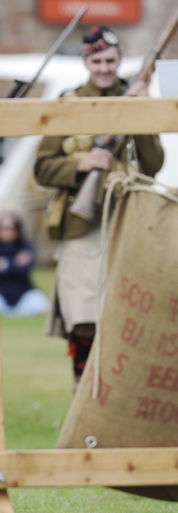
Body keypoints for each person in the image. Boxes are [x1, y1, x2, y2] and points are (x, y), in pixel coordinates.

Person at [34, 26, 163, 386]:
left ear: (119, 61)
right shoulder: (68, 102)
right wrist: (81, 164)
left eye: (111, 60)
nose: (105, 67)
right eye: (97, 60)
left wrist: (140, 115)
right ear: (86, 62)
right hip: (81, 224)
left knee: (127, 321)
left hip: (127, 222)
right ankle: (82, 399)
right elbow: (42, 167)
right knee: (84, 320)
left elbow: (152, 163)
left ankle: (117, 402)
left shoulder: (134, 97)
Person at [0, 213, 49, 317]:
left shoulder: (25, 246)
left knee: (46, 307)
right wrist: (14, 263)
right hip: (0, 295)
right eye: (3, 228)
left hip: (23, 294)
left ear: (17, 231)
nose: (6, 232)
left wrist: (5, 264)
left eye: (10, 228)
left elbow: (24, 270)